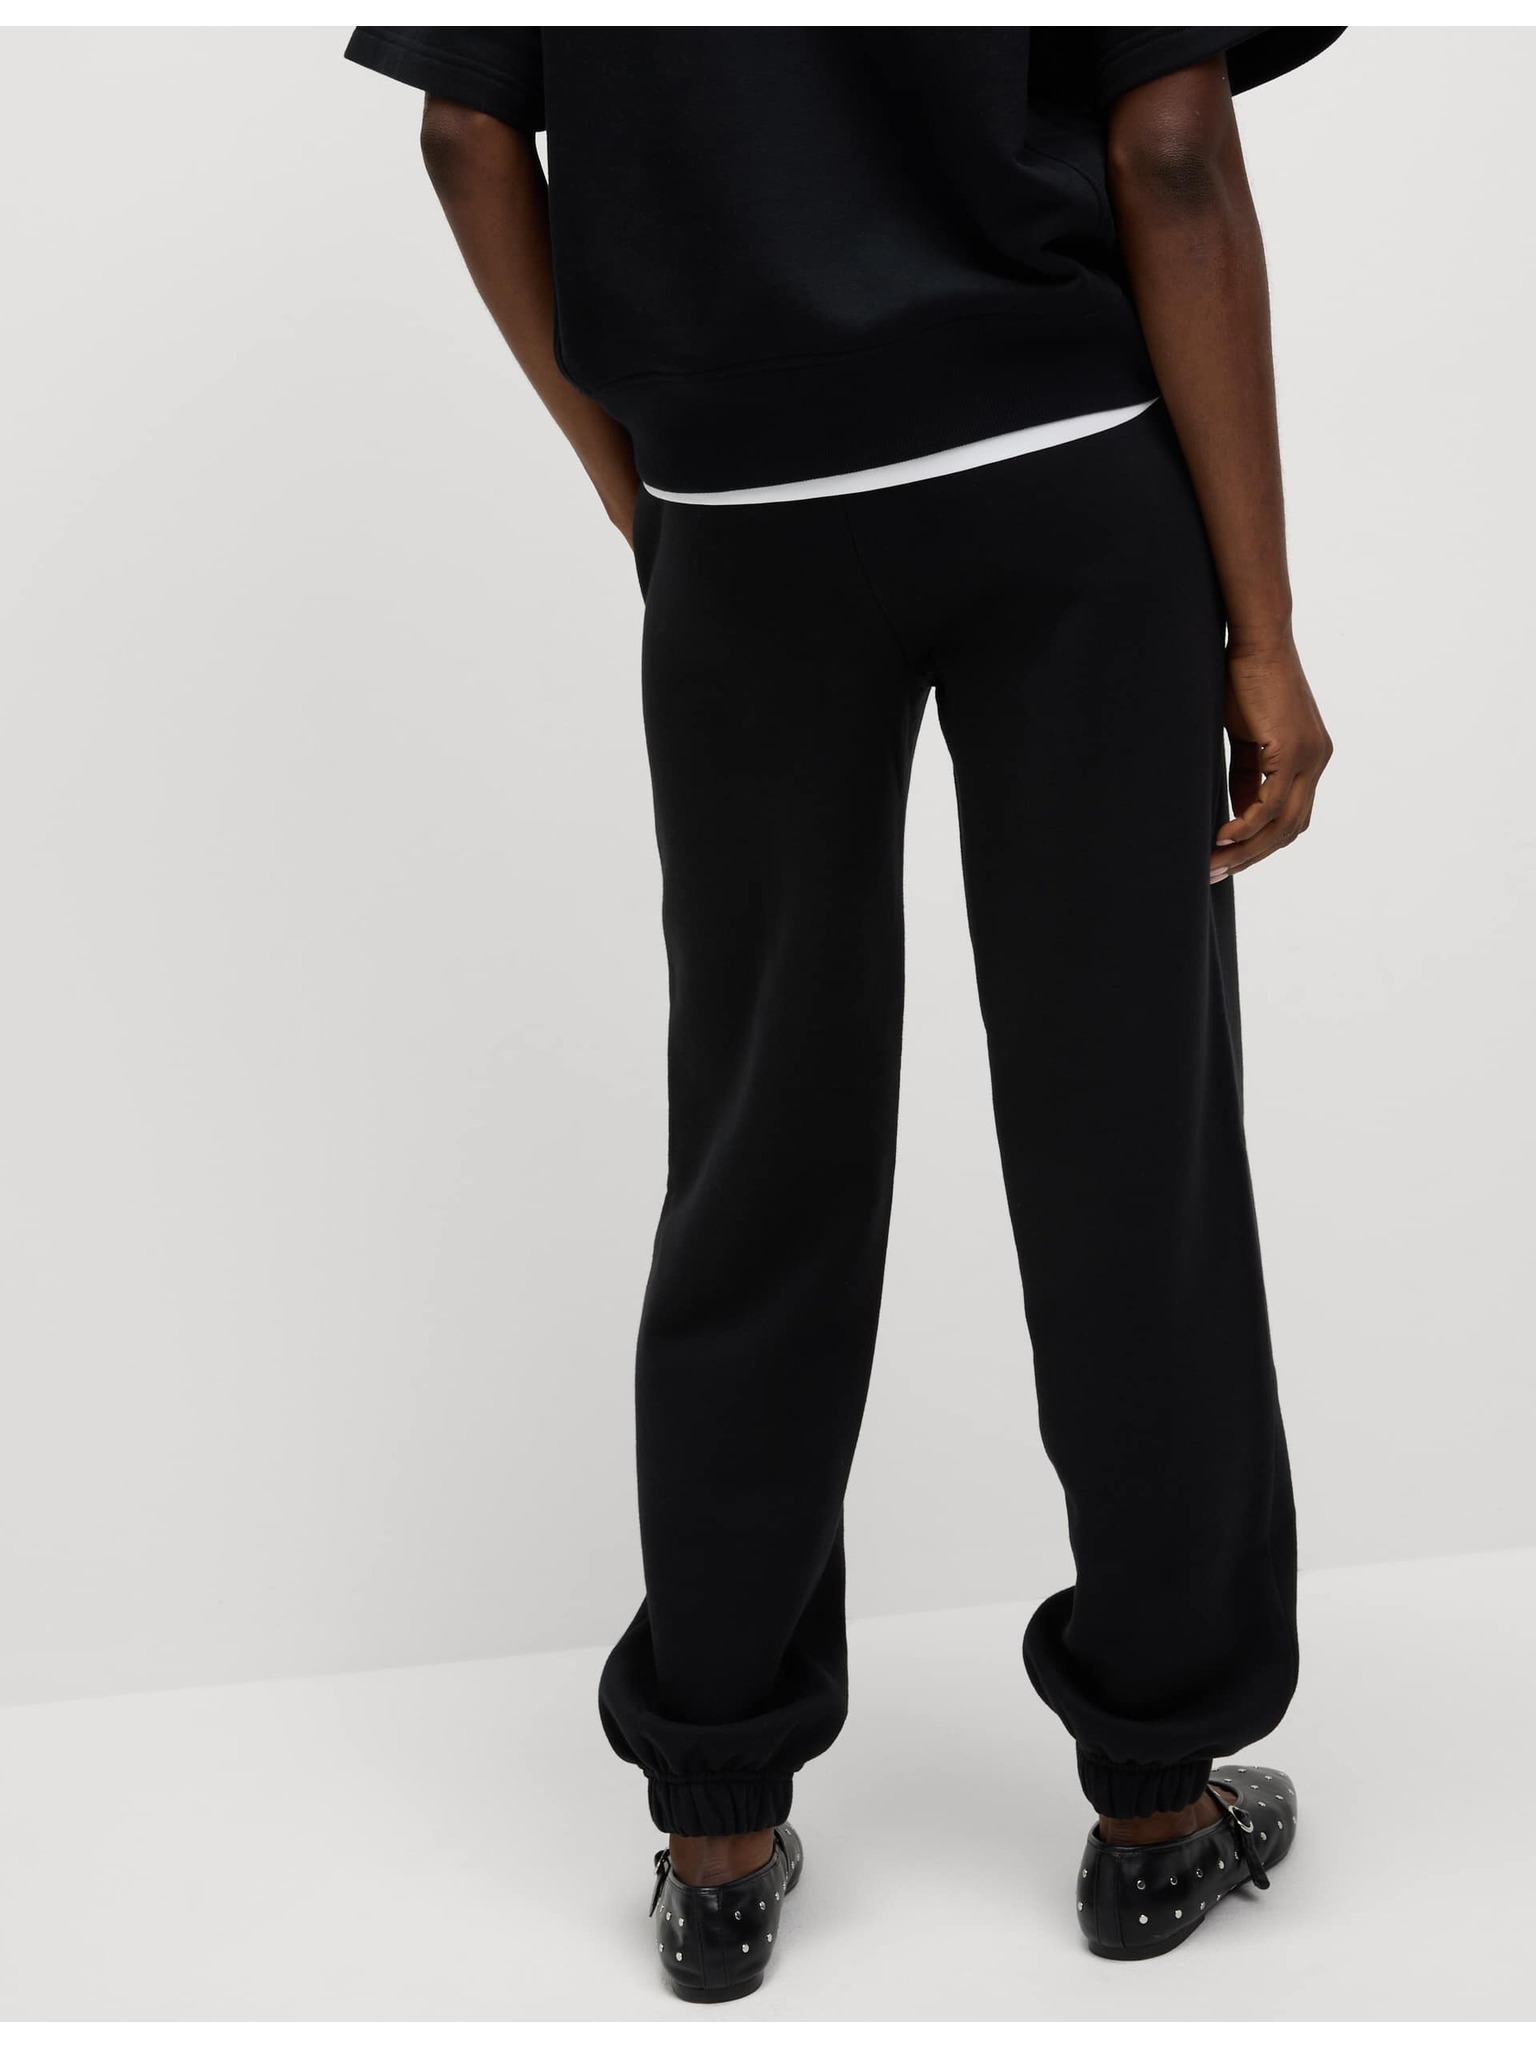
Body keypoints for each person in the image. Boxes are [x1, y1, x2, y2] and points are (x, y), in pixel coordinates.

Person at [343, 24, 1343, 1997]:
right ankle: (1157, 1805)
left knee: (757, 1146)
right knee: (1126, 1139)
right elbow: (1168, 150)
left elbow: (467, 131)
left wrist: (642, 485)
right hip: (1064, 487)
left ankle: (718, 1824)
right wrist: (1267, 627)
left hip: (746, 520)